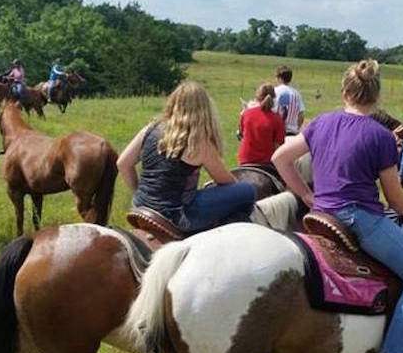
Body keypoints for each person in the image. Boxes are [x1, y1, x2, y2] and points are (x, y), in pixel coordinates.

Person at [273, 59, 403, 353]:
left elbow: (280, 158)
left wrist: (306, 195)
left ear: (345, 90)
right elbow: (395, 198)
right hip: (359, 219)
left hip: (320, 214)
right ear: (375, 95)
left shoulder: (321, 122)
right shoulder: (381, 137)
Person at [117, 81, 256, 234]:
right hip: (176, 213)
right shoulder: (199, 141)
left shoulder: (150, 128)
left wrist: (139, 192)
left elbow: (123, 163)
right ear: (203, 109)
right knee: (247, 190)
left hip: (140, 205)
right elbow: (227, 182)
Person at [238, 84, 285, 166]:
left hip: (245, 159)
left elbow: (241, 135)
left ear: (257, 98)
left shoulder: (246, 114)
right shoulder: (277, 119)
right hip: (266, 162)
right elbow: (278, 146)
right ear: (274, 99)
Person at [273, 65, 306, 136]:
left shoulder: (275, 91)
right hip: (292, 132)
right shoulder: (297, 94)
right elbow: (301, 115)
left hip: (277, 131)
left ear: (280, 78)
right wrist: (297, 128)